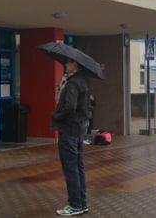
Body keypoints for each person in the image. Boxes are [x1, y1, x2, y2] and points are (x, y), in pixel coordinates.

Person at [51, 58, 92, 216]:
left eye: (68, 63)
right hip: (79, 129)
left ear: (75, 64)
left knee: (71, 168)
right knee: (78, 167)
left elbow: (69, 106)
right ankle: (82, 203)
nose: (65, 65)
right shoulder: (84, 81)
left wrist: (57, 116)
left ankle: (74, 205)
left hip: (69, 129)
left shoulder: (73, 83)